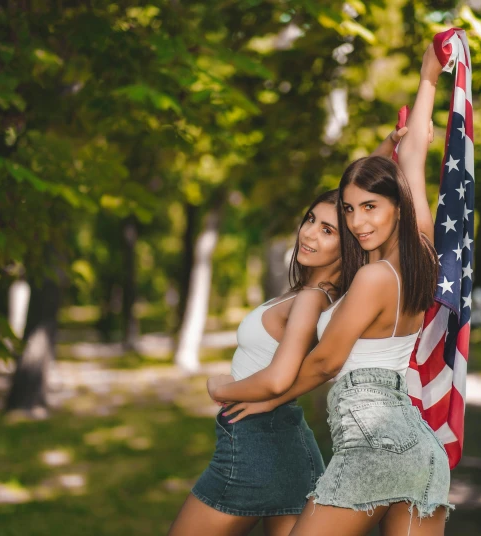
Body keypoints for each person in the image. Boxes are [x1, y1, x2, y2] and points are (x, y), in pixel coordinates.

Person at [222, 43, 450, 536]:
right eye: (348, 209)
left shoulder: (372, 278)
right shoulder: (422, 257)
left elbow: (325, 362)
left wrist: (266, 400)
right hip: (420, 453)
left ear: (396, 207)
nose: (357, 221)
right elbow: (414, 155)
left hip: (371, 444)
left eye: (370, 207)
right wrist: (429, 74)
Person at [167, 129, 409, 536]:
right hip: (286, 445)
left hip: (255, 447)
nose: (310, 233)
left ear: (348, 242)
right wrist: (384, 151)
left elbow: (279, 377)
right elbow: (349, 201)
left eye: (328, 231)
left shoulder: (313, 299)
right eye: (311, 220)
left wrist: (218, 389)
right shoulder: (326, 294)